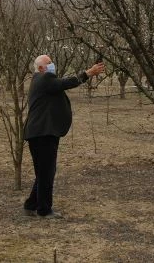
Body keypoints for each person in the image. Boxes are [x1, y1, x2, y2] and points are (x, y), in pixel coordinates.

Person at [23, 54, 105, 218]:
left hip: (40, 132)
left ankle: (31, 205)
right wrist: (88, 73)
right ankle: (44, 210)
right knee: (47, 172)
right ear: (41, 68)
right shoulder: (43, 78)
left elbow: (59, 85)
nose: (52, 65)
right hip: (43, 133)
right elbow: (65, 83)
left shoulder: (40, 80)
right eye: (49, 63)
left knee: (43, 171)